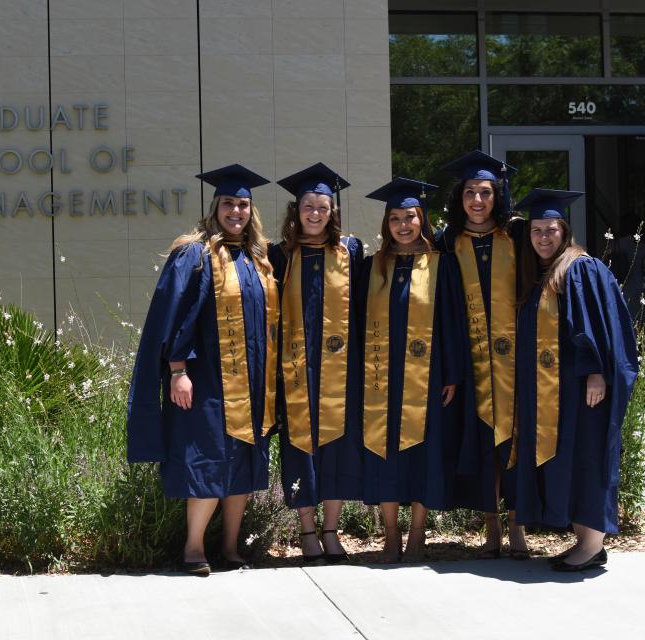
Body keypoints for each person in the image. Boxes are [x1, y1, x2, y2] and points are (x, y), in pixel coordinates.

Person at [126, 164, 279, 576]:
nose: (236, 211)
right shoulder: (194, 254)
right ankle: (194, 548)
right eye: (229, 203)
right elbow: (174, 316)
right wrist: (178, 370)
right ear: (215, 207)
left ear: (252, 211)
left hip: (250, 381)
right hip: (206, 378)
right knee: (208, 460)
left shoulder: (256, 259)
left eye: (243, 204)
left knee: (243, 463)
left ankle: (230, 548)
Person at [513, 189, 638, 571]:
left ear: (564, 230)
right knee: (576, 457)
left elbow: (596, 327)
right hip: (562, 390)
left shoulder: (581, 268)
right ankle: (586, 542)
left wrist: (596, 373)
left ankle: (592, 543)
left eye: (550, 229)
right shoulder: (549, 272)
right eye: (536, 231)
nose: (543, 237)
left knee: (588, 457)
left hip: (584, 387)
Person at [361, 178, 467, 562]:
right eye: (395, 219)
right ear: (386, 224)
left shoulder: (443, 265)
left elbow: (455, 322)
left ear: (422, 220)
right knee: (384, 454)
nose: (403, 225)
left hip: (429, 378)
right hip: (380, 380)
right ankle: (391, 535)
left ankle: (417, 535)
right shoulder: (372, 267)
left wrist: (453, 373)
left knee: (427, 453)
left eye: (410, 217)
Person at [269, 163, 364, 565]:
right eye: (308, 205)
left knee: (339, 448)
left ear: (332, 211)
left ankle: (331, 530)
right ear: (297, 210)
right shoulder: (279, 255)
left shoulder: (350, 252)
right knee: (299, 447)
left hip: (340, 369)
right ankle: (307, 531)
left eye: (322, 206)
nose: (314, 213)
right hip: (294, 369)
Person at [437, 151, 529, 559]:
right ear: (460, 197)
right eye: (470, 192)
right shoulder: (446, 243)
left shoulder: (520, 236)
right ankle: (491, 527)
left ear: (498, 196)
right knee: (483, 445)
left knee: (517, 444)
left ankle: (518, 527)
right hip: (470, 362)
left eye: (486, 192)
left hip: (517, 363)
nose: (477, 200)